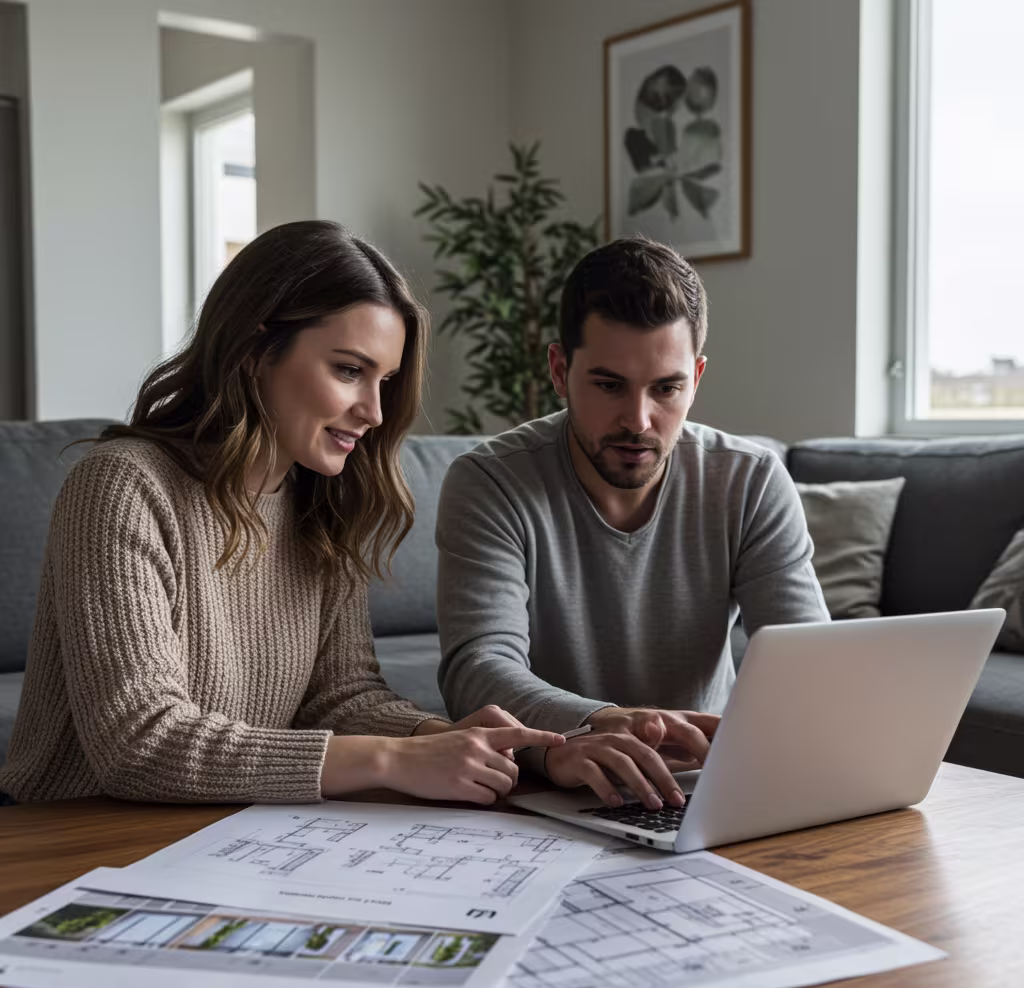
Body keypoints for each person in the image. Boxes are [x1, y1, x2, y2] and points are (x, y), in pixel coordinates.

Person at [0, 221, 564, 806]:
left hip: (235, 828)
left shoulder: (323, 502)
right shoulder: (123, 486)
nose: (374, 411)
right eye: (349, 370)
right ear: (253, 352)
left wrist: (443, 739)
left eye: (385, 380)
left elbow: (341, 698)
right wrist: (393, 758)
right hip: (82, 831)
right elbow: (141, 743)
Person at [436, 237, 829, 812]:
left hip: (704, 789)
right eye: (609, 385)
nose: (639, 420)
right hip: (556, 787)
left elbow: (807, 664)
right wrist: (594, 721)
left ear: (696, 378)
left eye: (666, 388)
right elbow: (477, 670)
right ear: (559, 370)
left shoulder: (751, 480)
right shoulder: (490, 481)